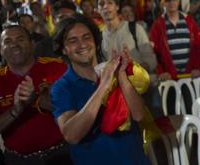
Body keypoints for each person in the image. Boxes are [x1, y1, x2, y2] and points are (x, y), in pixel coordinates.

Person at [50, 15, 149, 165]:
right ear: (64, 49)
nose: (82, 44)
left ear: (95, 41)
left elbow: (139, 115)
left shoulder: (115, 70)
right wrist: (103, 86)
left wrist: (121, 76)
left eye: (86, 37)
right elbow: (71, 135)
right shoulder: (62, 87)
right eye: (73, 40)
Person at [0, 25, 71, 164]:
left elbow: (74, 107)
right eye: (8, 41)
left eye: (20, 39)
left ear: (32, 44)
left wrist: (37, 98)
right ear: (0, 51)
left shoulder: (57, 67)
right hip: (18, 160)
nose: (14, 45)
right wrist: (15, 111)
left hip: (61, 153)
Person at [150, 0, 200, 80]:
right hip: (169, 77)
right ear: (163, 3)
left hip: (191, 75)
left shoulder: (189, 21)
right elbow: (154, 52)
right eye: (168, 0)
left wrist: (198, 68)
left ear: (178, 1)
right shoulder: (158, 25)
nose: (171, 3)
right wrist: (161, 72)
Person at [97, 0, 157, 75]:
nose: (106, 6)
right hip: (117, 86)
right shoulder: (100, 37)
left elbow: (150, 60)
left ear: (117, 7)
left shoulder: (135, 29)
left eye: (110, 3)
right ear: (97, 10)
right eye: (101, 4)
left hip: (141, 85)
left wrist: (133, 72)